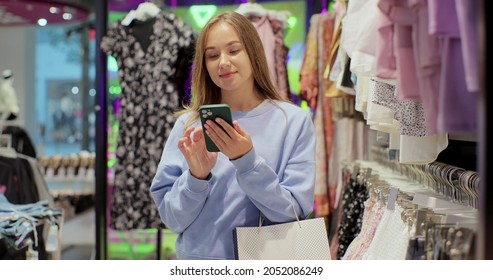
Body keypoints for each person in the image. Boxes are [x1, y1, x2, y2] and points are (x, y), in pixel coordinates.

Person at [150, 11, 316, 260]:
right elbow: (173, 219)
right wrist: (197, 178)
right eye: (213, 55)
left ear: (253, 52)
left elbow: (292, 214)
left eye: (234, 50)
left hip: (269, 263)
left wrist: (246, 162)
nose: (223, 62)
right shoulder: (188, 125)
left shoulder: (293, 121)